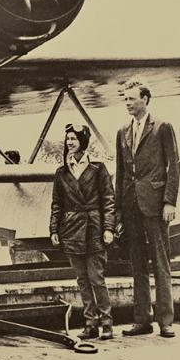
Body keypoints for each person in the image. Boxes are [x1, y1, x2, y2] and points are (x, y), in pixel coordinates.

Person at [116, 79, 180, 338]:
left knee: (161, 263)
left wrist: (169, 201)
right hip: (131, 205)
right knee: (137, 264)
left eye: (131, 98)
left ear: (145, 99)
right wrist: (119, 209)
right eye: (125, 99)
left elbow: (174, 165)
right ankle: (142, 319)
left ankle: (166, 320)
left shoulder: (163, 127)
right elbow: (121, 172)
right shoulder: (122, 131)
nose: (127, 103)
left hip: (155, 205)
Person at [50, 124, 115, 340]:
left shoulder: (98, 168)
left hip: (94, 228)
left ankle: (106, 323)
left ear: (83, 142)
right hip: (71, 230)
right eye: (67, 139)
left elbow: (108, 201)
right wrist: (54, 229)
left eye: (74, 139)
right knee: (82, 279)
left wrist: (108, 228)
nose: (69, 142)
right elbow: (57, 204)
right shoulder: (61, 172)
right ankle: (90, 323)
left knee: (97, 278)